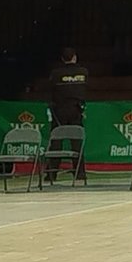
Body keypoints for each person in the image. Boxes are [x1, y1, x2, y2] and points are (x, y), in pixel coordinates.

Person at [45, 47, 89, 184]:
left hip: (59, 111)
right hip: (77, 110)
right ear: (74, 57)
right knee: (77, 142)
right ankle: (80, 173)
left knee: (56, 143)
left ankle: (51, 175)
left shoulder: (56, 74)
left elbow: (51, 90)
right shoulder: (83, 72)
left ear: (62, 59)